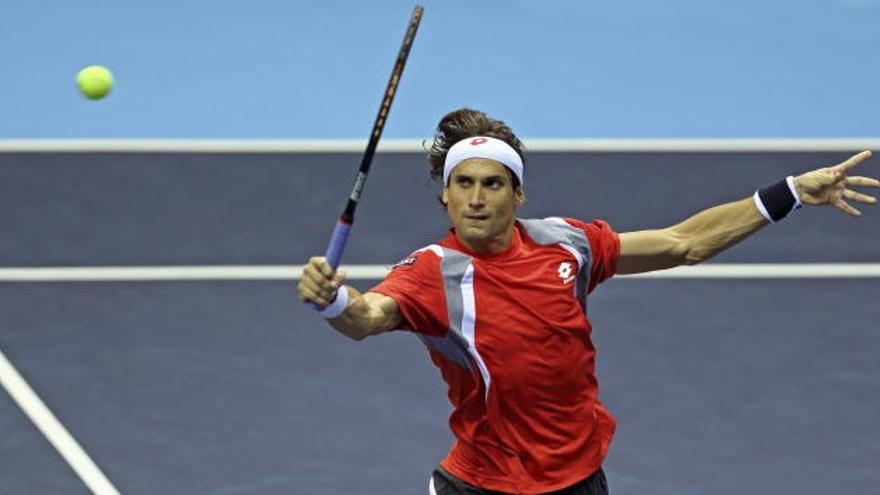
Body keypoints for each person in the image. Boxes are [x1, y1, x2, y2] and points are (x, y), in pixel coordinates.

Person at [297, 108, 877, 495]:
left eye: (492, 183)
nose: (476, 198)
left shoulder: (567, 243)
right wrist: (333, 303)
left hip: (576, 477)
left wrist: (793, 193)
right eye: (463, 184)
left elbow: (684, 243)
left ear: (517, 193)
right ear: (445, 196)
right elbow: (367, 317)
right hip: (481, 483)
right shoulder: (432, 273)